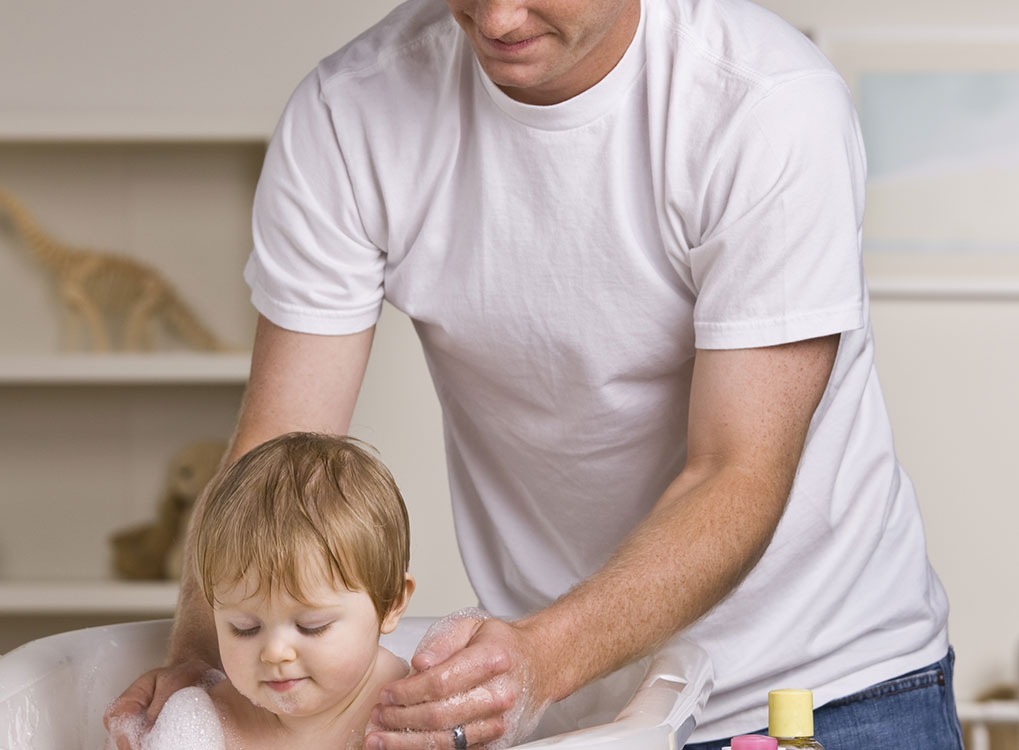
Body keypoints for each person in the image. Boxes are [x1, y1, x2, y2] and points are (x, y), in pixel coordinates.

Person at [107, 0, 963, 748]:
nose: (498, 20)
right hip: (568, 703)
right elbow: (277, 458)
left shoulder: (764, 104)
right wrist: (199, 667)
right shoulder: (350, 114)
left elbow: (735, 472)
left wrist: (540, 658)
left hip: (822, 686)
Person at [106, 432, 416, 749]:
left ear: (391, 602)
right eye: (245, 628)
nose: (274, 652)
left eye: (312, 626)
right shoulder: (214, 722)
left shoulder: (415, 716)